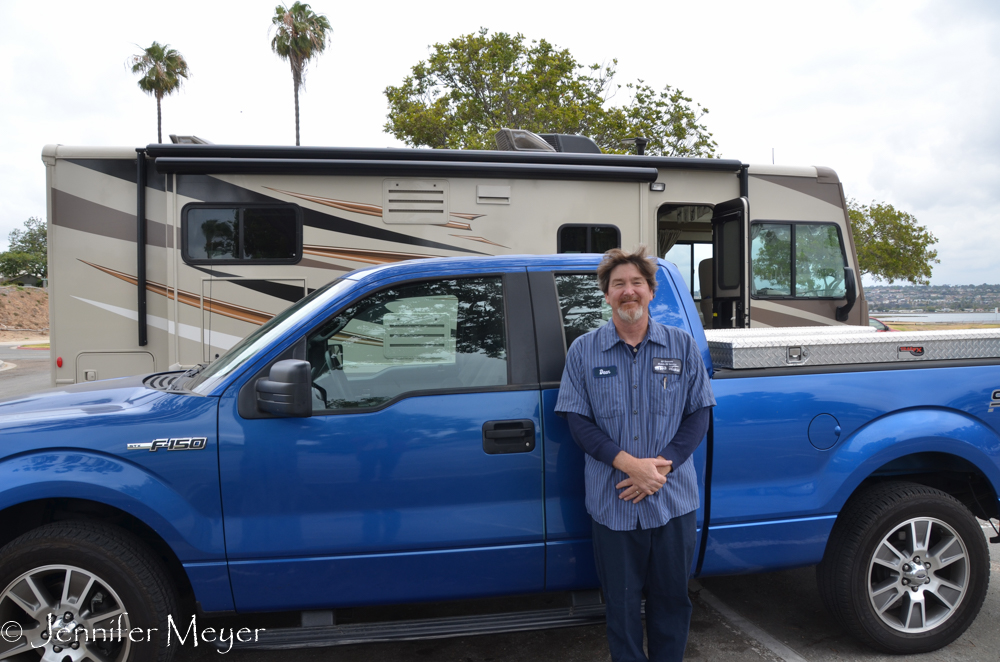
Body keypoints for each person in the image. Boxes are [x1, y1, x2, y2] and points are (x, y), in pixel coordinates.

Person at [555, 246, 716, 662]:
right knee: (622, 608)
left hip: (672, 498)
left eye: (636, 283)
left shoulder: (681, 346)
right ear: (606, 295)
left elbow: (699, 413)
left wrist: (660, 468)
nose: (629, 292)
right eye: (619, 284)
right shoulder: (583, 352)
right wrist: (629, 465)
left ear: (651, 291)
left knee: (672, 601)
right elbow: (578, 422)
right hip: (614, 501)